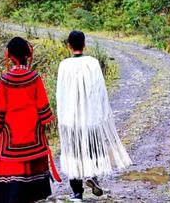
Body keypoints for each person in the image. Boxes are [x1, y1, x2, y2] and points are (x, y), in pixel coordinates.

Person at [56, 30, 131, 200]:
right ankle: (93, 176)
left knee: (74, 152)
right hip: (90, 118)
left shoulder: (64, 65)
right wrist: (102, 114)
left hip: (71, 119)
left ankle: (77, 193)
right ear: (84, 45)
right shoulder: (93, 63)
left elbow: (61, 93)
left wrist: (63, 116)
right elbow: (100, 91)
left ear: (68, 46)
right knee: (92, 148)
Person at [0, 36, 60, 203]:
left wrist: (1, 125)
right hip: (34, 140)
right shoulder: (35, 78)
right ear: (28, 55)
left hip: (11, 143)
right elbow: (44, 111)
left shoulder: (4, 81)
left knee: (9, 176)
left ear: (10, 56)